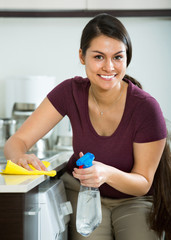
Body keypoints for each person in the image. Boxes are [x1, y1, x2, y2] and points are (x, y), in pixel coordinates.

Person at [4, 13, 171, 240]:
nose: (109, 67)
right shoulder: (69, 92)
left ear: (127, 59)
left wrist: (106, 173)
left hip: (134, 200)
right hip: (83, 193)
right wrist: (21, 157)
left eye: (118, 57)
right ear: (82, 56)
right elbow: (16, 142)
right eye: (99, 57)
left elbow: (142, 182)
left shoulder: (146, 108)